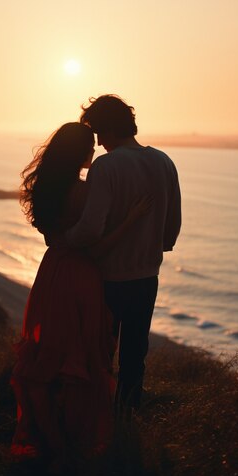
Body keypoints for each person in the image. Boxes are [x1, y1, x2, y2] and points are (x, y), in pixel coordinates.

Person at [10, 122, 149, 471]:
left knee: (51, 356)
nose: (95, 151)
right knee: (82, 358)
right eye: (90, 146)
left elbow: (51, 237)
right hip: (81, 278)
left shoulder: (45, 188)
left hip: (51, 273)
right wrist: (131, 219)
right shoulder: (84, 192)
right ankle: (75, 442)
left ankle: (49, 438)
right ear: (79, 152)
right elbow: (95, 245)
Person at [66, 95, 181, 415]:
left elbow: (90, 228)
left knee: (98, 353)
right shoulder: (164, 161)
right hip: (147, 276)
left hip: (107, 278)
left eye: (98, 132)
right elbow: (171, 231)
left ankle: (94, 419)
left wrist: (65, 240)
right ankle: (128, 418)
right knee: (134, 355)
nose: (98, 142)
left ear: (108, 128)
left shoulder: (107, 165)